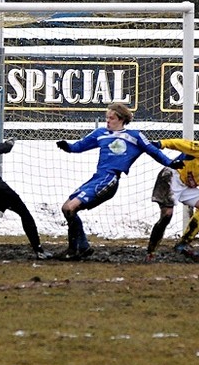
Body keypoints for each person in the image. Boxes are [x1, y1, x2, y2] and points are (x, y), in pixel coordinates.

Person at [55, 103, 185, 261]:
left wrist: (170, 163)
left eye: (111, 118)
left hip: (109, 179)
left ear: (122, 119)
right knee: (66, 209)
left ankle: (73, 249)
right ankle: (83, 247)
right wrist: (67, 147)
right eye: (107, 118)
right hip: (97, 178)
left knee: (70, 208)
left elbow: (154, 151)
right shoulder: (100, 133)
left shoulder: (134, 136)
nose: (108, 121)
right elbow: (79, 146)